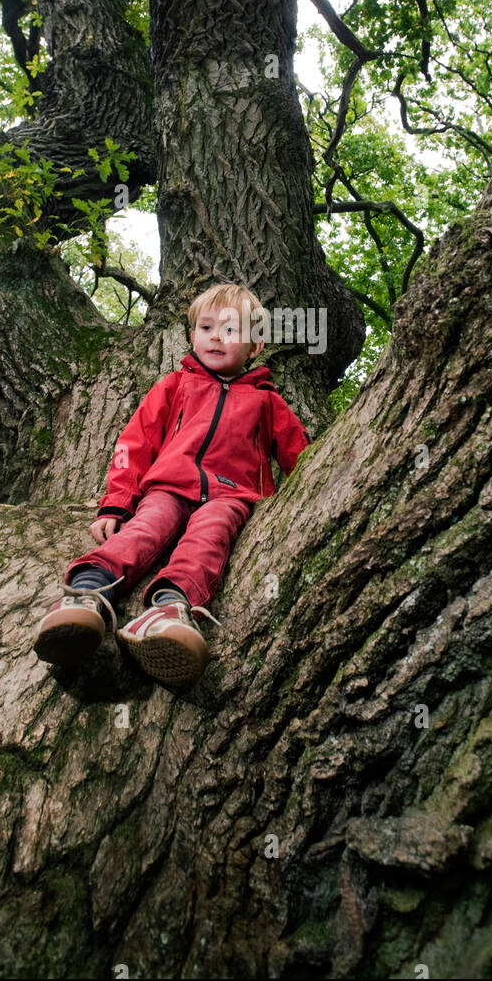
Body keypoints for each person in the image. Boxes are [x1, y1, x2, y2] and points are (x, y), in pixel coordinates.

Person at [33, 282, 311, 686]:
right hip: (167, 487)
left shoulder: (266, 401)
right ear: (193, 334)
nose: (216, 336)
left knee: (209, 540)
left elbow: (301, 457)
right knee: (146, 529)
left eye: (231, 330)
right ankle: (86, 595)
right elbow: (136, 442)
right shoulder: (175, 385)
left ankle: (170, 610)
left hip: (230, 495)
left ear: (255, 347)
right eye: (206, 327)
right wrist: (117, 502)